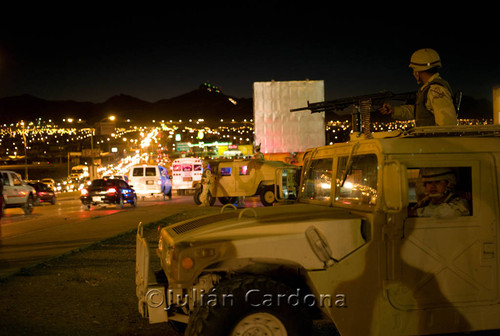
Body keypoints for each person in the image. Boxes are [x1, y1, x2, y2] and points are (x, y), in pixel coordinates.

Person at [380, 48, 457, 126]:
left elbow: (447, 124)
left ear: (417, 71)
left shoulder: (436, 90)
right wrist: (394, 110)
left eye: (413, 68)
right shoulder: (430, 89)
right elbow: (419, 112)